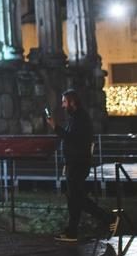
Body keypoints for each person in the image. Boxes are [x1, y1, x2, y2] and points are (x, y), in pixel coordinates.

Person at [48, 89, 117, 241]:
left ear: (72, 102)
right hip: (74, 163)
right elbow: (72, 140)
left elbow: (72, 139)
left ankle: (108, 218)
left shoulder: (80, 118)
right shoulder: (75, 117)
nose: (62, 105)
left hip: (79, 163)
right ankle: (72, 231)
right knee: (73, 197)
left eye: (64, 102)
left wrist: (55, 127)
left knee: (76, 198)